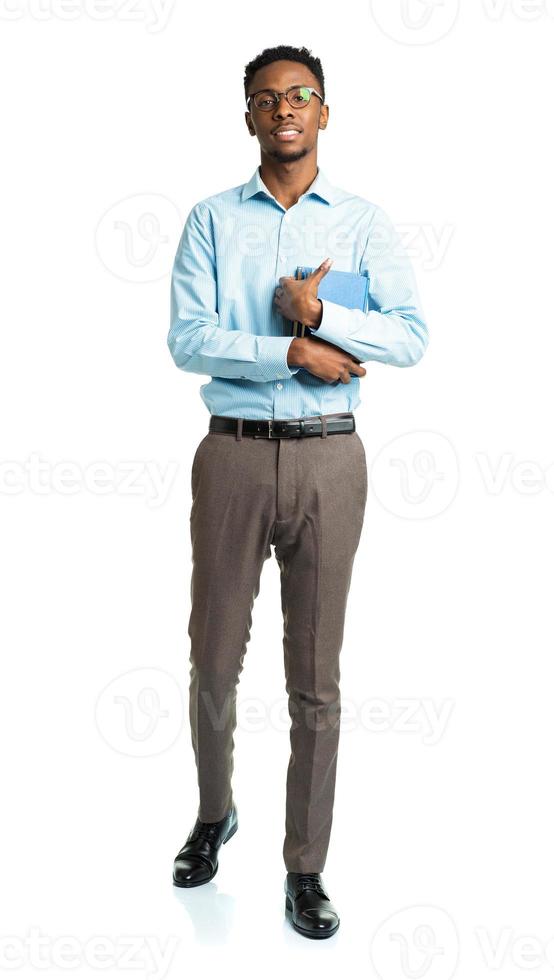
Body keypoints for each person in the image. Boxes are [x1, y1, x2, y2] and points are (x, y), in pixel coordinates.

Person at [167, 44, 429, 940]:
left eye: (302, 95)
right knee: (214, 654)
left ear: (326, 113)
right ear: (248, 116)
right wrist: (288, 351)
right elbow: (189, 338)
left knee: (316, 675)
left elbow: (410, 337)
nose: (285, 108)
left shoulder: (363, 222)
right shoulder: (209, 219)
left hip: (329, 460)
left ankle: (305, 867)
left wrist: (326, 318)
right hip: (233, 457)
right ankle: (214, 814)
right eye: (267, 97)